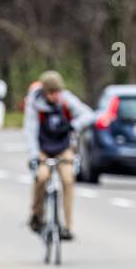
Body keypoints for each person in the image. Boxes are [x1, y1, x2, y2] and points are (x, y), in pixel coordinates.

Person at [23, 71, 94, 239]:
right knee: (41, 176)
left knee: (68, 179)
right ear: (45, 92)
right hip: (43, 148)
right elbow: (30, 132)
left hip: (63, 146)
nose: (56, 96)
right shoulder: (34, 104)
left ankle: (67, 227)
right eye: (52, 93)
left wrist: (73, 126)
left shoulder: (66, 100)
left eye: (58, 92)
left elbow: (89, 115)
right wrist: (33, 156)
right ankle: (37, 215)